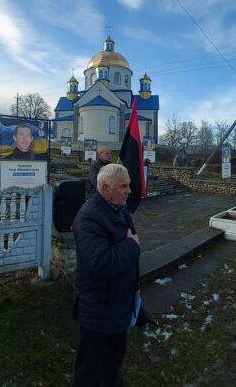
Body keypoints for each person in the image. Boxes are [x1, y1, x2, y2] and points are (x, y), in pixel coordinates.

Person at [72, 164, 142, 386]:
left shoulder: (119, 208)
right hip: (98, 308)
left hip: (118, 304)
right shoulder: (89, 218)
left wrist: (135, 286)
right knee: (91, 370)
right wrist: (133, 246)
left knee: (113, 363)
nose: (129, 191)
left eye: (128, 186)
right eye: (123, 186)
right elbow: (100, 263)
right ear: (104, 188)